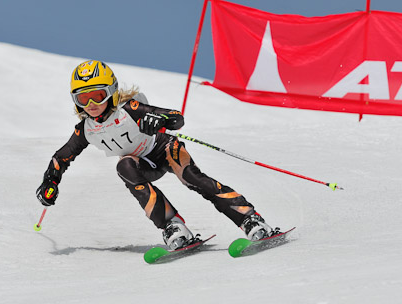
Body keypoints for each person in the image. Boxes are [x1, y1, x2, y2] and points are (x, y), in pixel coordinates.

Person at [36, 60, 275, 250]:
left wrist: (158, 119)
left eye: (97, 95)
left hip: (163, 148)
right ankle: (172, 226)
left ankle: (249, 218)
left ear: (111, 92)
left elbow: (176, 117)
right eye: (82, 97)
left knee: (191, 177)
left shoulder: (130, 109)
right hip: (142, 165)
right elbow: (62, 157)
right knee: (124, 167)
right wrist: (50, 182)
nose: (90, 103)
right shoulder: (86, 130)